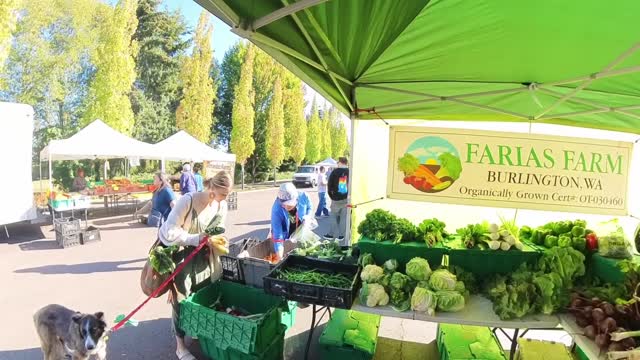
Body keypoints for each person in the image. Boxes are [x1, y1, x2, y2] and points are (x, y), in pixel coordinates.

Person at [159, 170, 233, 360]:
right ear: (212, 188)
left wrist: (219, 240)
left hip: (205, 259)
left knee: (204, 296)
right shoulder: (188, 201)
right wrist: (195, 238)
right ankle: (180, 346)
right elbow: (169, 232)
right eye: (223, 194)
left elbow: (217, 231)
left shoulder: (221, 206)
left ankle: (197, 330)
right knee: (181, 302)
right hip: (183, 259)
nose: (225, 199)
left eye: (228, 195)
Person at [270, 182, 313, 257]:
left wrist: (308, 217)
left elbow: (309, 207)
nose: (286, 207)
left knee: (305, 250)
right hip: (287, 232)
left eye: (289, 205)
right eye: (283, 205)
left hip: (301, 228)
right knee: (290, 252)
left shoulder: (303, 196)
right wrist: (280, 258)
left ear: (296, 199)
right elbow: (278, 237)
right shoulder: (276, 209)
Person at [325, 157, 349, 243]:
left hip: (336, 199)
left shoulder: (335, 172)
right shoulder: (350, 172)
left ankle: (331, 234)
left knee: (333, 216)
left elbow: (329, 186)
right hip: (346, 199)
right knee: (343, 217)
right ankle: (341, 235)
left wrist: (332, 196)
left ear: (340, 162)